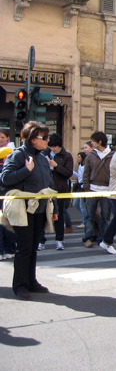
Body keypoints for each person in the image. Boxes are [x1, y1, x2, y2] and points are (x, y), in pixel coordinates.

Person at [1, 121, 55, 299]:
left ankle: (31, 281)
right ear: (32, 139)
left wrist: (53, 205)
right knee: (24, 248)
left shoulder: (42, 157)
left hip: (39, 208)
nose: (47, 140)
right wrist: (26, 170)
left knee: (32, 247)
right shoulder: (17, 155)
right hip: (23, 209)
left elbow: (48, 181)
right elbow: (5, 179)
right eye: (44, 137)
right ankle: (20, 285)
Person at [82, 131, 114, 248]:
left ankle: (102, 238)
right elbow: (86, 173)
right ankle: (88, 237)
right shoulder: (91, 155)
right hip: (92, 189)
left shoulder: (111, 155)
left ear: (99, 142)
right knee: (89, 215)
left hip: (107, 189)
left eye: (93, 141)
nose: (91, 143)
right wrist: (86, 188)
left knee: (106, 216)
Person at [43, 134, 74, 251]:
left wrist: (56, 166)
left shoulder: (66, 156)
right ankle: (41, 241)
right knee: (43, 215)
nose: (52, 149)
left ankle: (59, 240)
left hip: (59, 189)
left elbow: (68, 173)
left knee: (59, 215)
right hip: (45, 188)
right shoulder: (44, 153)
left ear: (59, 145)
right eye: (50, 146)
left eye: (54, 147)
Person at [0, 146, 17, 261]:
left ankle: (2, 251)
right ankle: (10, 250)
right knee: (9, 227)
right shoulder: (10, 169)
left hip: (4, 202)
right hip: (9, 201)